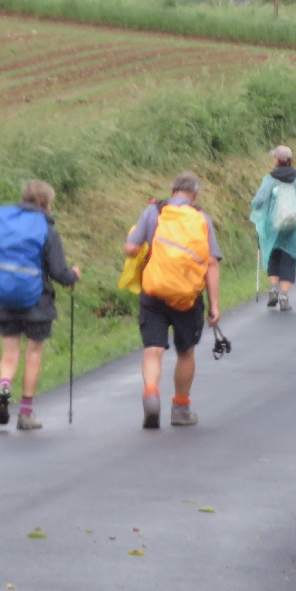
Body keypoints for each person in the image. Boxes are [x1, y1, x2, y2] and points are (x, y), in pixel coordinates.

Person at [123, 172, 222, 429]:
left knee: (153, 350)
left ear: (172, 189)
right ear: (195, 195)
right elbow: (211, 263)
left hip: (154, 291)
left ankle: (152, 392)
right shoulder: (202, 219)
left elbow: (131, 248)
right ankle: (180, 407)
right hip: (187, 297)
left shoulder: (154, 211)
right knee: (185, 351)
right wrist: (214, 305)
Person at [0, 179, 81, 430]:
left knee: (9, 353)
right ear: (45, 204)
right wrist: (74, 276)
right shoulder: (48, 230)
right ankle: (25, 414)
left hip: (6, 301)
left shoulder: (3, 224)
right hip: (38, 301)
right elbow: (59, 272)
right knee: (33, 354)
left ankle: (4, 389)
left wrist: (3, 284)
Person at [249, 145, 296, 311]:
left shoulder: (270, 178)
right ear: (289, 160)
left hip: (273, 225)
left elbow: (258, 201)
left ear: (277, 160)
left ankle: (273, 289)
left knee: (274, 252)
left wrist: (258, 208)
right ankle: (284, 297)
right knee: (289, 256)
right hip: (294, 226)